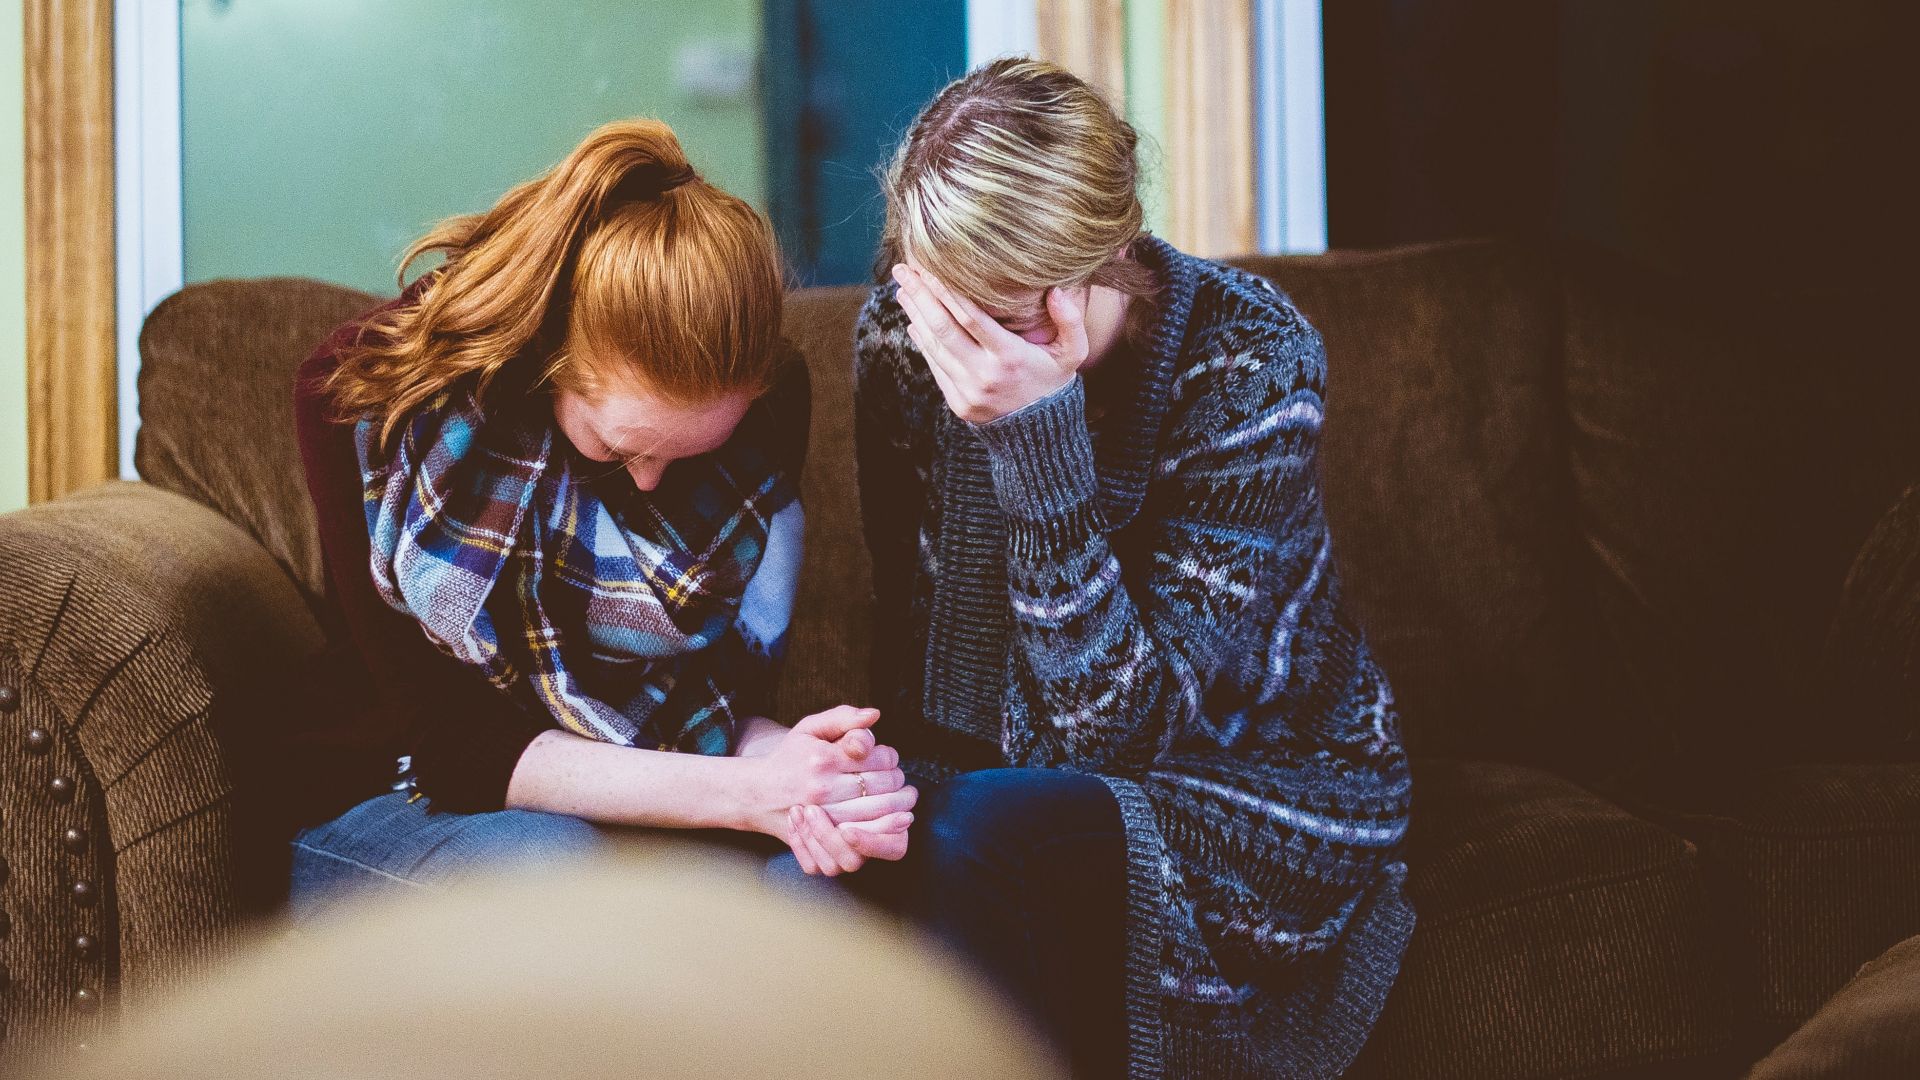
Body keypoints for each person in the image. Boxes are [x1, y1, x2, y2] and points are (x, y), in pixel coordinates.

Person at [836, 59, 1415, 1078]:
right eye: (945, 306)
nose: (964, 348)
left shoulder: (1251, 360)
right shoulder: (901, 339)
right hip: (1002, 774)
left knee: (987, 835)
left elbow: (1122, 737)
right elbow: (913, 637)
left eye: (1002, 315)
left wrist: (1039, 444)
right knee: (838, 859)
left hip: (1255, 780)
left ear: (1100, 261)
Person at [287, 118, 916, 912]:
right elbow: (454, 748)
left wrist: (811, 770)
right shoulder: (366, 399)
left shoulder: (766, 408)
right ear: (551, 358)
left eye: (688, 456)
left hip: (642, 786)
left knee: (824, 887)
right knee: (557, 869)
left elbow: (712, 705)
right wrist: (752, 795)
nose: (650, 485)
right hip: (398, 793)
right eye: (620, 450)